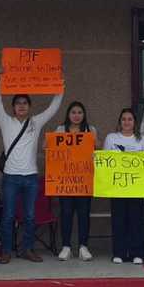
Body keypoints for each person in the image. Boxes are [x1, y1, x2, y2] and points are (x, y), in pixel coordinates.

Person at [0, 68, 63, 264]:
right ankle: (6, 251)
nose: (21, 106)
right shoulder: (5, 122)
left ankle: (27, 249)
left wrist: (60, 86)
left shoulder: (36, 122)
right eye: (18, 103)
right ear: (13, 107)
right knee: (8, 216)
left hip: (31, 177)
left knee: (30, 216)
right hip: (10, 177)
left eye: (25, 103)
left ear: (30, 107)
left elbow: (53, 108)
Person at [51, 101, 97, 261]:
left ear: (84, 115)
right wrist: (49, 144)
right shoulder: (60, 129)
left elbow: (97, 149)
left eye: (79, 112)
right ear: (68, 114)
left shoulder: (90, 130)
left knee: (84, 214)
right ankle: (66, 246)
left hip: (84, 180)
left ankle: (83, 247)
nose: (76, 115)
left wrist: (94, 145)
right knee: (66, 213)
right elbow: (48, 147)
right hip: (66, 181)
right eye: (73, 112)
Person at [105, 108, 144, 265]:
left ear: (135, 122)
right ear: (120, 122)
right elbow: (105, 161)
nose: (126, 122)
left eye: (130, 119)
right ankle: (119, 252)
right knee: (118, 220)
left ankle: (136, 253)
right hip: (116, 187)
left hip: (136, 187)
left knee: (136, 221)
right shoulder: (111, 138)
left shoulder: (142, 139)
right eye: (123, 119)